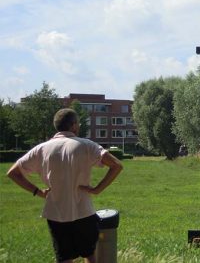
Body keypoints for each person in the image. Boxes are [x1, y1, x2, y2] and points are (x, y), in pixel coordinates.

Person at [6, 108, 123, 263]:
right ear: (73, 125)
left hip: (55, 212)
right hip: (84, 211)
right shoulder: (87, 145)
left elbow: (13, 173)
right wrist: (97, 189)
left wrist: (38, 191)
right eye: (78, 123)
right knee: (89, 254)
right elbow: (116, 165)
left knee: (64, 257)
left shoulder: (41, 149)